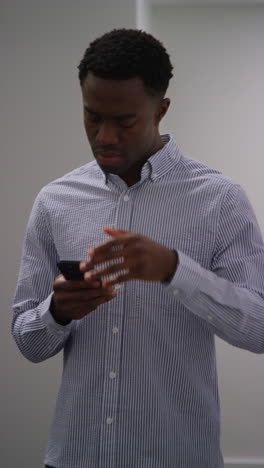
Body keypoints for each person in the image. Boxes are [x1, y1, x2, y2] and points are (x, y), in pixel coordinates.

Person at [12, 28, 264, 468]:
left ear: (161, 109)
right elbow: (29, 344)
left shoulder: (220, 200)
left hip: (177, 457)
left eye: (124, 121)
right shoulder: (54, 201)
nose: (105, 137)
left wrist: (175, 269)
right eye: (92, 117)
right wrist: (58, 311)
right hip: (74, 457)